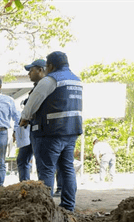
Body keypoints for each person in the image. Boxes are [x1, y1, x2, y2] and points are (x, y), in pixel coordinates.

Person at [19, 51, 83, 212]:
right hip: (71, 131)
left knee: (46, 169)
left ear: (51, 66)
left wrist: (25, 118)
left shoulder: (51, 79)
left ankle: (45, 210)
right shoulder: (77, 81)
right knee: (67, 168)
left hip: (50, 133)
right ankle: (68, 206)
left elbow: (33, 102)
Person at [16, 59, 46, 182]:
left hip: (43, 131)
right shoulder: (36, 88)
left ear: (41, 70)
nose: (29, 74)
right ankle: (25, 186)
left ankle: (47, 191)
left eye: (31, 70)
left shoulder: (47, 86)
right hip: (31, 130)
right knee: (22, 159)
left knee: (42, 163)